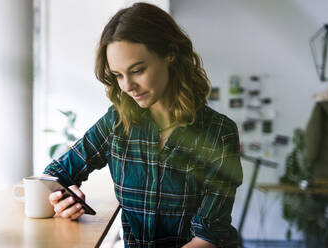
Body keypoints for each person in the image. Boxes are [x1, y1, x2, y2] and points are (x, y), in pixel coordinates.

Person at [43, 2, 243, 248]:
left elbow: (208, 237)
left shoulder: (219, 133)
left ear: (170, 54)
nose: (126, 86)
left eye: (137, 70)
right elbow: (53, 174)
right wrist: (64, 200)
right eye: (117, 75)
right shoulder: (116, 123)